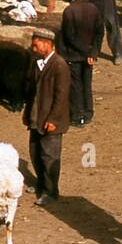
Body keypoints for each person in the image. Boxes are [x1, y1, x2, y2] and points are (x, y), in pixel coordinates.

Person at [24, 28, 70, 204]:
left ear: (47, 44)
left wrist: (54, 120)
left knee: (49, 156)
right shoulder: (38, 62)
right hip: (36, 117)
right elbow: (32, 92)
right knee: (35, 152)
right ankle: (41, 182)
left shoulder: (60, 65)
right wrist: (28, 113)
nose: (33, 47)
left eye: (36, 44)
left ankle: (51, 192)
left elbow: (61, 96)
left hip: (50, 120)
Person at [60, 0, 103, 127]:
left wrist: (84, 52)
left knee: (76, 86)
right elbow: (99, 33)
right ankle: (89, 112)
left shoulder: (69, 11)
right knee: (87, 84)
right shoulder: (94, 9)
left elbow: (69, 36)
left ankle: (78, 116)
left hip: (73, 55)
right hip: (89, 56)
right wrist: (93, 52)